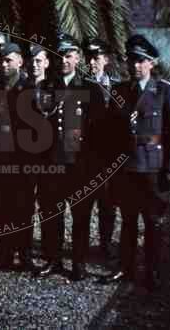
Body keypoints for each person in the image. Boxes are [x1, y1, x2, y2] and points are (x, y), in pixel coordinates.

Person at [102, 34, 170, 290]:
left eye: (140, 61)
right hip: (127, 169)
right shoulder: (119, 91)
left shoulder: (164, 91)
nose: (135, 66)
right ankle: (126, 269)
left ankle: (152, 272)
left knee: (152, 223)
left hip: (153, 168)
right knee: (127, 223)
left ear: (151, 63)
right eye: (131, 61)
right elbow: (112, 134)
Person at [36, 33, 105, 281]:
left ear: (77, 58)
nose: (63, 60)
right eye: (59, 56)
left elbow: (98, 131)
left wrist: (95, 167)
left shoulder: (90, 88)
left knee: (80, 217)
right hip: (52, 164)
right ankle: (53, 260)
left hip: (80, 165)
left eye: (68, 56)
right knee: (52, 215)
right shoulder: (46, 87)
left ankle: (78, 262)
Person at [0, 42, 40, 272]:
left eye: (9, 60)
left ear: (20, 61)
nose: (4, 64)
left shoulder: (30, 89)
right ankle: (5, 252)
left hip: (24, 159)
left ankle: (25, 253)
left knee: (24, 208)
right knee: (1, 207)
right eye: (1, 60)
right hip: (0, 158)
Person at [82, 37, 119, 258]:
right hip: (87, 156)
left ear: (106, 59)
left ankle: (105, 245)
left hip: (109, 157)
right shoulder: (80, 86)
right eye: (89, 58)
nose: (92, 63)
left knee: (108, 204)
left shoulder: (117, 87)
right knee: (84, 205)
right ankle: (82, 246)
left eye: (96, 58)